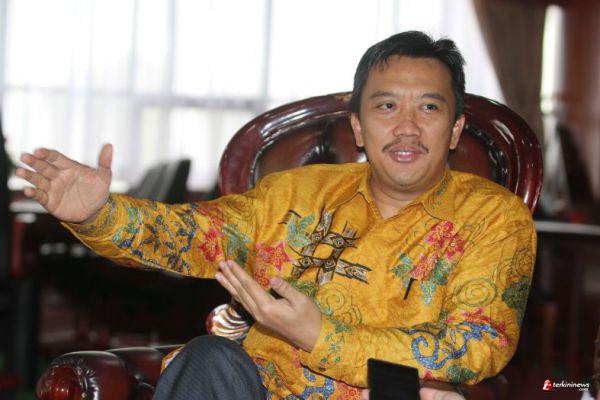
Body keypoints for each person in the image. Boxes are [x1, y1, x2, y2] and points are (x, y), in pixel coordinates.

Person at [17, 31, 535, 399]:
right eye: (385, 107)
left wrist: (321, 337)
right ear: (358, 127)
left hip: (383, 392)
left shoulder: (494, 218)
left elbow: (477, 345)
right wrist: (100, 213)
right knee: (210, 357)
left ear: (455, 129)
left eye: (428, 108)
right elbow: (192, 235)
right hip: (254, 387)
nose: (406, 128)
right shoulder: (293, 194)